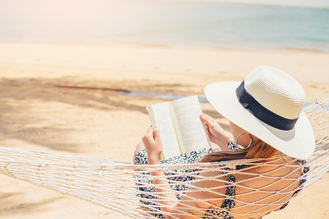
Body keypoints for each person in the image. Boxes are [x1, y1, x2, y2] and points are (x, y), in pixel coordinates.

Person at [133, 66, 315, 219]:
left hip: (195, 205)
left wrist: (154, 161)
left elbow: (174, 215)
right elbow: (255, 170)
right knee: (200, 154)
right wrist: (225, 141)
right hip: (236, 206)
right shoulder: (296, 166)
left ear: (247, 129)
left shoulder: (218, 175)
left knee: (141, 151)